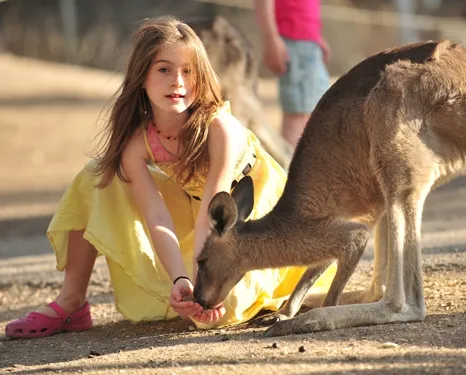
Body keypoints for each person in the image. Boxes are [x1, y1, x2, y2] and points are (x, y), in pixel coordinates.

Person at [5, 16, 337, 339]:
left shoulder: (218, 128)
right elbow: (156, 214)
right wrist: (181, 278)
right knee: (95, 175)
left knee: (217, 310)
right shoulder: (137, 142)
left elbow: (215, 208)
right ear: (142, 76)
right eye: (164, 69)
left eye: (188, 71)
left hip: (249, 216)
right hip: (196, 211)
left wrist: (199, 284)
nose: (177, 81)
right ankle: (72, 302)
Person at [254, 0, 331, 147]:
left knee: (316, 113)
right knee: (298, 116)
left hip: (308, 41)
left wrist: (316, 37)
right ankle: (293, 167)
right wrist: (271, 38)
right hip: (294, 41)